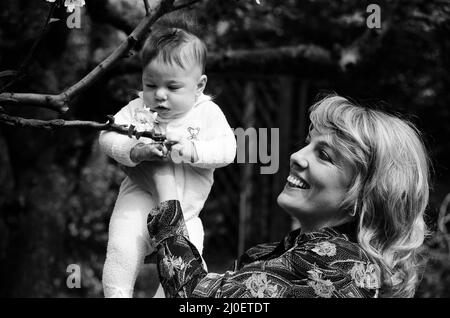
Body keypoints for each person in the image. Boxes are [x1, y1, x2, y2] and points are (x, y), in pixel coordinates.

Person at [129, 94, 430, 298]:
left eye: (324, 155)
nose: (297, 156)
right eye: (308, 144)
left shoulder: (337, 265)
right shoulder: (290, 253)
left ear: (364, 195)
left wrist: (163, 182)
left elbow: (195, 297)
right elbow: (217, 287)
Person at [98, 14, 236, 298]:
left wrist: (193, 151)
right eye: (150, 85)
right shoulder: (137, 109)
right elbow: (107, 136)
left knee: (190, 260)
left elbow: (229, 150)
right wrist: (134, 151)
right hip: (138, 202)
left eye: (172, 87)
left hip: (187, 214)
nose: (159, 96)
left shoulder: (207, 113)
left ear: (199, 86)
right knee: (122, 245)